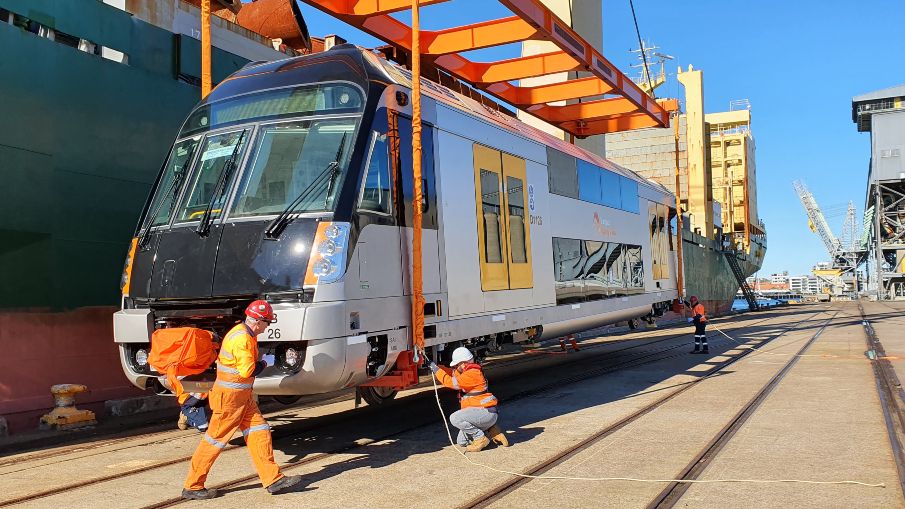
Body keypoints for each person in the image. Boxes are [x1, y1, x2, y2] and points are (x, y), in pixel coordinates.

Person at [182, 300, 301, 500]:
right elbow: (247, 371)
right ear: (258, 321)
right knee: (214, 441)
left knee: (260, 431)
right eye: (267, 323)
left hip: (242, 398)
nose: (267, 327)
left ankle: (273, 479)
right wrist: (265, 363)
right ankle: (193, 485)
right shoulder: (243, 338)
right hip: (229, 400)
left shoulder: (244, 333)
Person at [429, 347, 509, 452]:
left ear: (463, 363)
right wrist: (437, 367)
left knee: (455, 418)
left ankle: (480, 438)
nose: (456, 367)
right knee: (462, 442)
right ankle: (493, 431)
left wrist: (437, 371)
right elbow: (452, 373)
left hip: (485, 413)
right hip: (485, 413)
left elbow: (450, 382)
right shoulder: (468, 371)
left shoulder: (472, 374)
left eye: (457, 365)